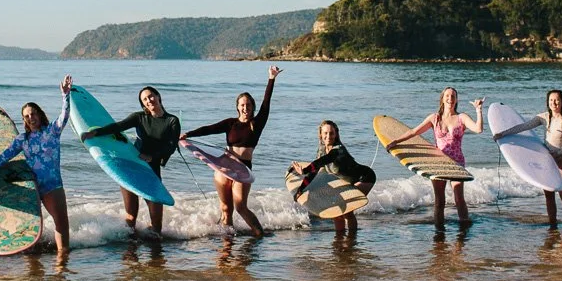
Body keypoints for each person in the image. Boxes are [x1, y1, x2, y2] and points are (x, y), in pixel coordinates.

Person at [0, 74, 74, 258]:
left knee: (61, 223)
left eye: (33, 114)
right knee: (30, 227)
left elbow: (64, 116)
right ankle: (33, 262)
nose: (30, 118)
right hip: (32, 187)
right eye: (26, 116)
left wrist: (66, 95)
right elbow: (3, 157)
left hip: (52, 186)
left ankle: (61, 262)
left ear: (40, 114)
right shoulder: (23, 140)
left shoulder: (52, 131)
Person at [181, 65, 282, 237]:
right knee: (226, 208)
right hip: (224, 166)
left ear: (252, 107)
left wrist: (271, 79)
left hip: (243, 169)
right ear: (237, 107)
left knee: (240, 206)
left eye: (248, 105)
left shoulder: (257, 124)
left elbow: (266, 102)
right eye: (242, 105)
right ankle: (227, 240)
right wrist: (188, 134)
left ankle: (259, 234)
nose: (245, 108)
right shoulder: (230, 123)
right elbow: (210, 129)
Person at [81, 86, 181, 237]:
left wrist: (152, 157)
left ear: (158, 96)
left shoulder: (172, 121)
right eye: (145, 99)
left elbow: (171, 146)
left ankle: (155, 254)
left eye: (151, 96)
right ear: (142, 103)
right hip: (132, 166)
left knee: (157, 226)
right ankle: (130, 251)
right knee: (130, 218)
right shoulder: (139, 117)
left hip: (151, 170)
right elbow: (118, 126)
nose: (149, 101)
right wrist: (95, 132)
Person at [383, 87, 485, 226]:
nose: (450, 98)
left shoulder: (462, 118)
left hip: (457, 163)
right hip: (439, 164)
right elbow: (414, 132)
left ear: (457, 99)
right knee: (440, 200)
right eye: (447, 96)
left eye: (453, 96)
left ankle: (464, 229)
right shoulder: (434, 118)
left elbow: (478, 129)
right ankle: (439, 232)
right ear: (442, 99)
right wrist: (396, 141)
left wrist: (478, 110)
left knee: (459, 198)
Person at [492, 89, 562, 226]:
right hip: (547, 160)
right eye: (551, 100)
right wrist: (503, 134)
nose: (554, 103)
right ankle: (553, 225)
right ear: (548, 102)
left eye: (556, 100)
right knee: (549, 195)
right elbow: (523, 127)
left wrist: (560, 153)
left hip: (560, 159)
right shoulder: (544, 117)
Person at [292, 120, 376, 236]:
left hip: (364, 178)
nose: (328, 136)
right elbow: (314, 172)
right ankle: (339, 237)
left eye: (331, 133)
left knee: (347, 212)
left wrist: (305, 169)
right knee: (337, 212)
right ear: (320, 134)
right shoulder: (322, 151)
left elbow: (322, 161)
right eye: (325, 133)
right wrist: (300, 190)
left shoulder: (338, 150)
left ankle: (352, 238)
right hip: (347, 181)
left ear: (336, 134)